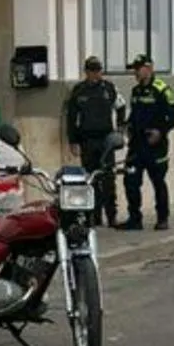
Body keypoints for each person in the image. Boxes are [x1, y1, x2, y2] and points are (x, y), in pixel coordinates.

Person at [116, 54, 174, 231]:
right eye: (134, 69)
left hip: (155, 146)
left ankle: (162, 218)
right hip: (137, 145)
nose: (135, 72)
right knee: (131, 181)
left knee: (158, 182)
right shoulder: (136, 91)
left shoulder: (162, 89)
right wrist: (127, 125)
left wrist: (160, 131)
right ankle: (134, 219)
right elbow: (135, 115)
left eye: (138, 69)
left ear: (149, 68)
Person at [66, 56, 127, 227]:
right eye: (92, 70)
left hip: (106, 140)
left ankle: (112, 215)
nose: (96, 74)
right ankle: (94, 216)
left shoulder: (109, 88)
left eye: (98, 70)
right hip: (87, 140)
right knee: (90, 179)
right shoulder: (79, 91)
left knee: (108, 179)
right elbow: (71, 118)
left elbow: (121, 106)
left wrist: (121, 128)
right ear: (86, 72)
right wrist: (73, 141)